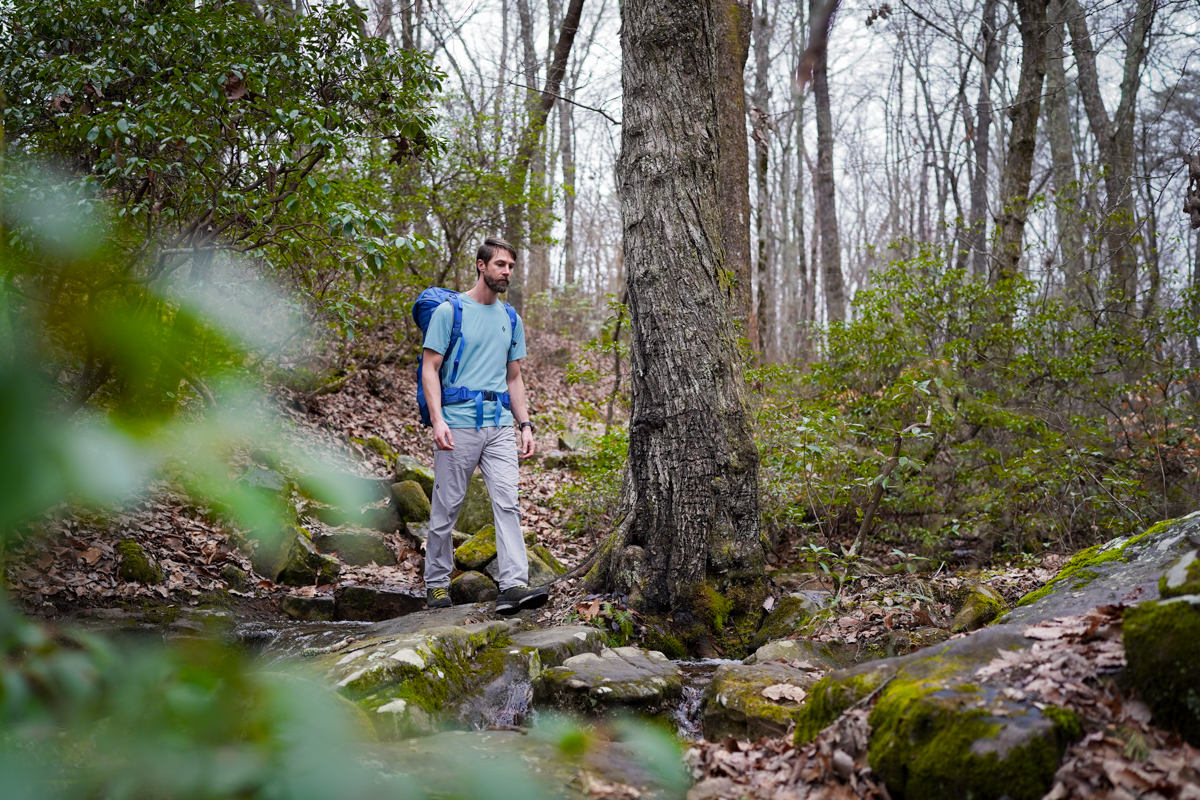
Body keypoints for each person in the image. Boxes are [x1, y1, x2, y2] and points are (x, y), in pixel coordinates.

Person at [421, 237, 549, 615]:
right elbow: (430, 368)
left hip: (499, 428)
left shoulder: (511, 318)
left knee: (508, 503)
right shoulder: (450, 312)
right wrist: (437, 419)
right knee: (446, 506)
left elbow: (514, 378)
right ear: (481, 266)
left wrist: (525, 424)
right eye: (500, 265)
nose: (507, 272)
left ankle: (513, 585)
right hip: (457, 424)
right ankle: (436, 584)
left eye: (510, 266)